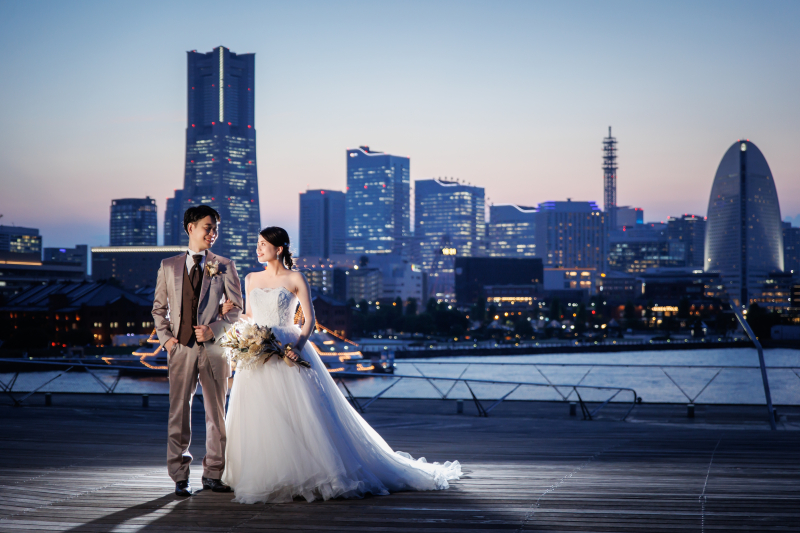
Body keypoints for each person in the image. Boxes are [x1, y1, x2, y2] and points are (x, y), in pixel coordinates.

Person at [221, 226, 461, 504]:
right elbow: (251, 316)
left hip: (289, 346)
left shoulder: (296, 277)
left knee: (304, 413)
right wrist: (234, 316)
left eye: (264, 244)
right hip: (258, 350)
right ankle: (262, 473)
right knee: (260, 412)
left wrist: (294, 349)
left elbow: (308, 321)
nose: (258, 248)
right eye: (258, 243)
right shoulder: (250, 278)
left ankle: (308, 472)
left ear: (279, 249)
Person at [151, 205, 243, 497]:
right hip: (180, 351)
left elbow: (237, 309)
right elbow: (158, 309)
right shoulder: (168, 266)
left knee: (216, 414)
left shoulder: (225, 265)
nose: (213, 233)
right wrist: (167, 340)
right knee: (178, 412)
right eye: (207, 227)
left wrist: (214, 329)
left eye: (215, 228)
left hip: (215, 351)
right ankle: (179, 476)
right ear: (190, 227)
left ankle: (213, 474)